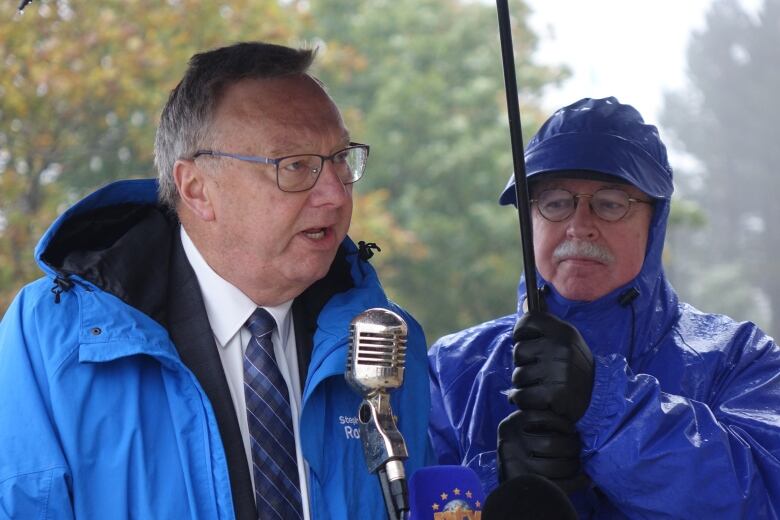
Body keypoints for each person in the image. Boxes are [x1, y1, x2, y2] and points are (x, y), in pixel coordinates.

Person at [0, 41, 431, 519]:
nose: (334, 193)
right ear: (196, 188)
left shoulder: (384, 340)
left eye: (339, 159)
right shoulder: (51, 336)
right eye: (295, 166)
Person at [428, 97, 780, 517]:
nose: (579, 226)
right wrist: (493, 486)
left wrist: (604, 405)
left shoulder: (740, 360)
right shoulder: (451, 371)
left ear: (655, 223)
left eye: (611, 203)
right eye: (556, 202)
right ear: (530, 219)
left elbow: (760, 497)